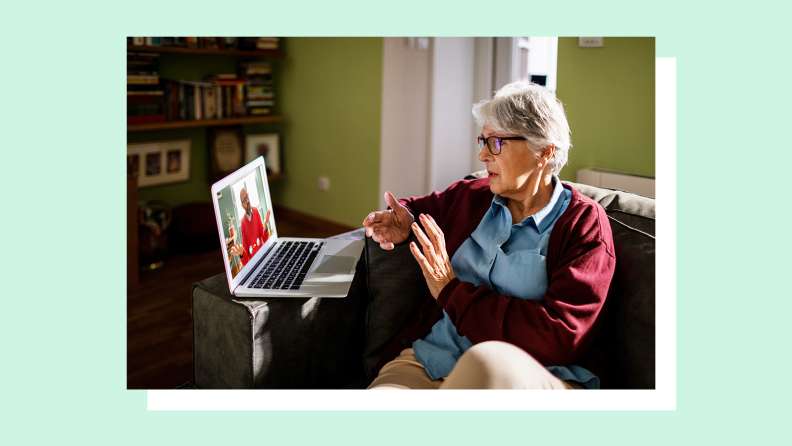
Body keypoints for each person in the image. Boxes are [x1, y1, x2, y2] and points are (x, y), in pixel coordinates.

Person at [362, 82, 616, 390]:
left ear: (543, 151)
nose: (482, 155)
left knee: (486, 362)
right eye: (483, 140)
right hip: (434, 360)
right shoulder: (473, 196)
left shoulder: (583, 224)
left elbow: (559, 335)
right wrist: (403, 221)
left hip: (535, 376)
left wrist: (449, 289)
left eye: (496, 143)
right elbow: (418, 210)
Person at [230, 185, 271, 267]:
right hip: (254, 263)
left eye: (247, 196)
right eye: (244, 200)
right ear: (242, 205)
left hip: (263, 255)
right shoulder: (243, 223)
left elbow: (265, 238)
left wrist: (265, 224)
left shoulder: (256, 211)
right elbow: (245, 258)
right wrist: (241, 252)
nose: (247, 200)